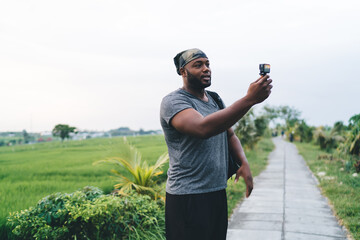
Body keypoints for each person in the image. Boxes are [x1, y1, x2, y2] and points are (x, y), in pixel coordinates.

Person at [160, 48, 273, 240]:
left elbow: (229, 135)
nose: (206, 69)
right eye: (198, 65)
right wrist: (250, 99)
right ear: (183, 72)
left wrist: (243, 163)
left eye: (207, 64)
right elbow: (203, 128)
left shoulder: (214, 99)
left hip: (216, 192)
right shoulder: (174, 102)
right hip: (188, 196)